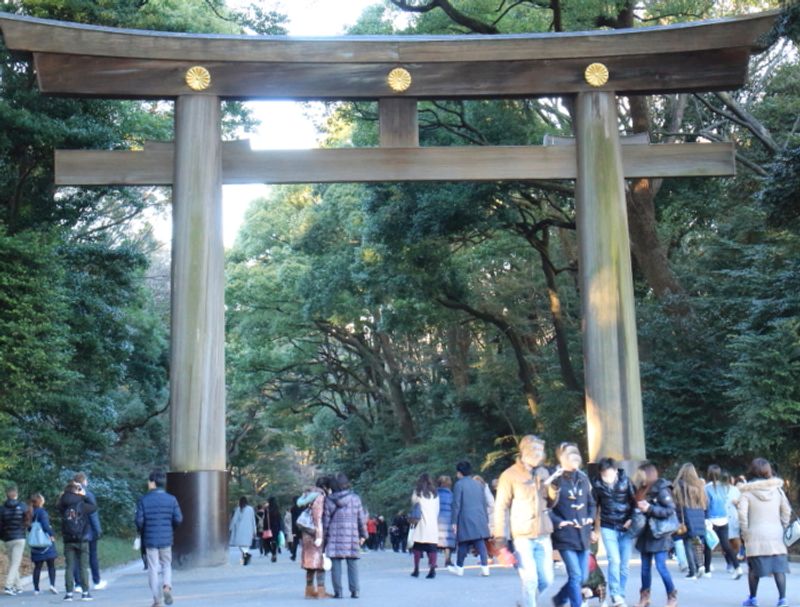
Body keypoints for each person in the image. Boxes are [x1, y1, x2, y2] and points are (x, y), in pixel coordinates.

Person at [493, 435, 555, 607]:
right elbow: (500, 508)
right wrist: (500, 541)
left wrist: (553, 489)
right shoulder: (509, 475)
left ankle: (525, 602)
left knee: (547, 580)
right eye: (536, 450)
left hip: (543, 534)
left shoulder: (544, 472)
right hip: (522, 535)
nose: (540, 454)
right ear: (525, 451)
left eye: (541, 451)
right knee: (530, 580)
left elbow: (551, 503)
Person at [738, 458, 791, 607]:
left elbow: (742, 514)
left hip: (755, 535)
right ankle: (782, 599)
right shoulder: (777, 490)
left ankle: (753, 599)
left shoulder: (747, 492)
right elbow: (786, 510)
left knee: (754, 569)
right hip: (776, 534)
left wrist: (745, 532)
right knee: (779, 568)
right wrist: (783, 525)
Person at [548, 442, 595, 607]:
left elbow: (591, 503)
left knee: (583, 576)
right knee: (575, 574)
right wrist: (560, 522)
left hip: (583, 534)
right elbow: (546, 507)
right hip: (565, 535)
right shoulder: (555, 480)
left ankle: (560, 598)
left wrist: (590, 517)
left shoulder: (583, 477)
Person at [591, 457, 636, 607]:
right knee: (614, 560)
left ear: (616, 471)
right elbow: (593, 507)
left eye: (610, 475)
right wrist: (593, 529)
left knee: (624, 565)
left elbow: (636, 501)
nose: (607, 479)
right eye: (604, 476)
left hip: (626, 527)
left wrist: (631, 519)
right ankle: (615, 594)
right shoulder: (597, 484)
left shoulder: (626, 481)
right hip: (608, 526)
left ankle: (621, 594)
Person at [135, 469, 183, 607]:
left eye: (149, 481)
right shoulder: (171, 499)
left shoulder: (144, 500)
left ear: (153, 483)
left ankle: (157, 600)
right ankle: (167, 587)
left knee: (153, 567)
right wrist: (170, 528)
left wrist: (142, 530)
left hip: (150, 539)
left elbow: (139, 521)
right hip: (166, 538)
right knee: (166, 564)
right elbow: (178, 519)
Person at [634, 461, 677, 607]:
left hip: (659, 534)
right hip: (645, 533)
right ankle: (645, 597)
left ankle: (672, 596)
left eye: (640, 473)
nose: (638, 476)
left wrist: (650, 509)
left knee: (661, 566)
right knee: (645, 568)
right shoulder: (641, 489)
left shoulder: (661, 489)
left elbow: (670, 509)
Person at [323, 472, 368, 599]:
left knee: (335, 564)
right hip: (351, 535)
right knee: (352, 563)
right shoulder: (355, 498)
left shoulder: (329, 500)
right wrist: (364, 535)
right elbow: (361, 518)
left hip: (334, 535)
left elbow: (325, 521)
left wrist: (324, 538)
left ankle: (338, 592)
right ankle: (355, 591)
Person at [450, 460, 491, 577]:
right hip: (480, 516)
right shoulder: (478, 484)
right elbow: (484, 503)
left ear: (459, 473)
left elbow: (456, 504)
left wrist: (454, 521)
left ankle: (459, 568)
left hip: (465, 517)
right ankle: (485, 567)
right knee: (480, 542)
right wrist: (486, 518)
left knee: (463, 542)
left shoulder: (459, 484)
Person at [58, 481, 97, 602]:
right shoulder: (82, 503)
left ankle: (69, 593)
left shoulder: (62, 504)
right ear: (77, 490)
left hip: (68, 539)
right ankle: (85, 593)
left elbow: (58, 506)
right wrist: (84, 495)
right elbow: (94, 507)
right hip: (82, 539)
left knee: (69, 566)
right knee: (83, 567)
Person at [704, 464, 743, 579]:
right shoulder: (725, 487)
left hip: (712, 519)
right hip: (724, 519)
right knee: (726, 545)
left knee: (708, 545)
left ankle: (707, 570)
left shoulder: (707, 488)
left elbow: (706, 505)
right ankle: (737, 567)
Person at [673, 463, 708, 579]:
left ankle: (692, 571)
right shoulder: (699, 486)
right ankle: (701, 565)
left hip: (686, 516)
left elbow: (677, 504)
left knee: (687, 543)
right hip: (699, 516)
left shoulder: (679, 486)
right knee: (697, 541)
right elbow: (704, 503)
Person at [298, 477, 330, 599]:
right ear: (326, 487)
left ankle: (309, 590)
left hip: (306, 532)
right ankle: (321, 591)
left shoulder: (307, 495)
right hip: (315, 533)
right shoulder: (320, 496)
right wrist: (319, 536)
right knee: (320, 563)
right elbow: (317, 517)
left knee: (309, 563)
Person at [72, 472, 105, 592]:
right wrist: (98, 530)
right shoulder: (88, 495)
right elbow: (93, 514)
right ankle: (96, 581)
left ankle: (78, 584)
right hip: (88, 530)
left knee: (76, 557)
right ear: (84, 481)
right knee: (92, 556)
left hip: (73, 530)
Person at [409, 473, 440, 579]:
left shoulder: (418, 492)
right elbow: (437, 510)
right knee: (432, 548)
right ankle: (432, 569)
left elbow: (413, 503)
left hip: (421, 523)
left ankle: (416, 569)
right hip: (432, 523)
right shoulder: (435, 494)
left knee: (417, 547)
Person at [0, 484, 29, 596]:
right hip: (19, 537)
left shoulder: (2, 509)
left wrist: (2, 536)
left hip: (8, 539)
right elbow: (27, 520)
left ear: (7, 495)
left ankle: (18, 586)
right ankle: (8, 586)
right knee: (15, 563)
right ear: (16, 494)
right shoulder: (23, 506)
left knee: (13, 562)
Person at [29, 493, 58, 595]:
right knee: (51, 565)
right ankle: (52, 585)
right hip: (45, 542)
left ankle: (36, 589)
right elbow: (45, 526)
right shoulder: (42, 512)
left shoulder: (30, 512)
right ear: (40, 501)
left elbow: (29, 528)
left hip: (35, 543)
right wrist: (52, 534)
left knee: (37, 567)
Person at [229, 496, 257, 566]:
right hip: (249, 529)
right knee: (246, 545)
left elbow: (234, 519)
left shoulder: (238, 509)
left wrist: (230, 528)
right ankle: (246, 556)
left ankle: (246, 556)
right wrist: (254, 530)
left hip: (240, 530)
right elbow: (253, 520)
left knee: (240, 544)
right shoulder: (250, 509)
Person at [436, 476, 456, 567]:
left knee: (435, 541)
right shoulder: (451, 495)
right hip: (448, 520)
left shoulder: (435, 493)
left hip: (437, 519)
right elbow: (454, 507)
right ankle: (448, 560)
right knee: (448, 542)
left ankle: (433, 561)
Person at [265, 497, 284, 562]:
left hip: (269, 527)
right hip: (276, 527)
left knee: (267, 541)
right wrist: (280, 528)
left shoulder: (267, 509)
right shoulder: (277, 509)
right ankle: (274, 553)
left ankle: (272, 553)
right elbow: (279, 519)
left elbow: (265, 519)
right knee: (274, 541)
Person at [290, 496, 303, 561]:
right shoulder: (303, 507)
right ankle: (305, 555)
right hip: (302, 525)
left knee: (295, 541)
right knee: (304, 541)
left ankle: (294, 555)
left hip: (295, 526)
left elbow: (293, 520)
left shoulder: (293, 509)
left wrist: (293, 529)